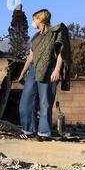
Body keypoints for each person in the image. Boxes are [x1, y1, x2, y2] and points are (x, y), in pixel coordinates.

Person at [18, 9, 71, 138]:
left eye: (34, 19)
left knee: (45, 102)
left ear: (41, 19)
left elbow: (61, 53)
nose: (33, 22)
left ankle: (44, 132)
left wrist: (57, 70)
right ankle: (29, 130)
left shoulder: (55, 33)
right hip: (34, 70)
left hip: (49, 69)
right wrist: (23, 72)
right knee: (26, 101)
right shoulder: (36, 37)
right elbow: (31, 56)